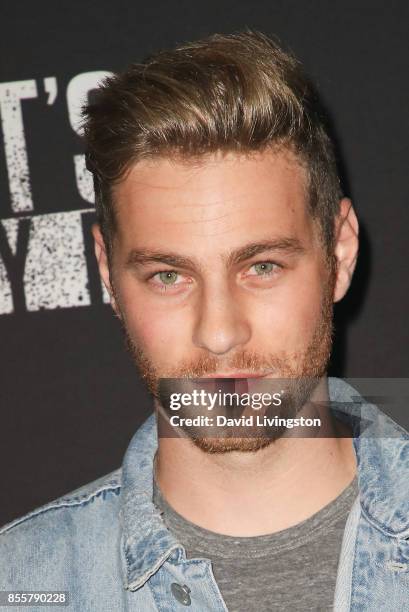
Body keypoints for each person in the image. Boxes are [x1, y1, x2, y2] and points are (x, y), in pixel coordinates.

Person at [0, 31, 408, 612]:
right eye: (169, 276)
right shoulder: (22, 588)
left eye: (262, 266)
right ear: (107, 273)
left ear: (338, 253)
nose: (219, 333)